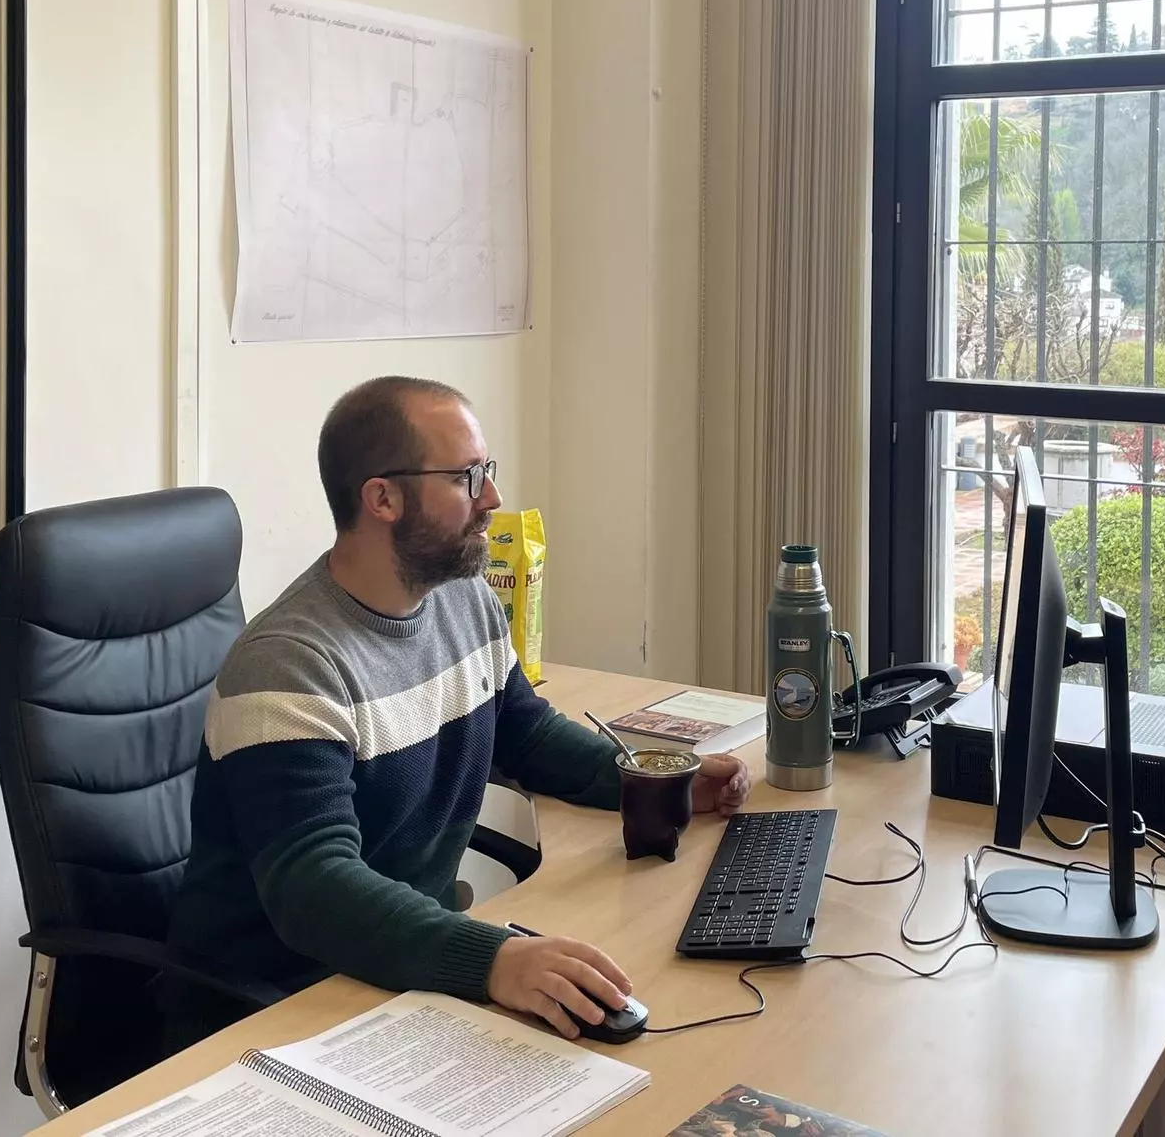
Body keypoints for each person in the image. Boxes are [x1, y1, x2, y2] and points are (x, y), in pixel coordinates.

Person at [163, 376, 752, 1046]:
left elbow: (527, 734)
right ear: (383, 498)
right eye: (467, 477)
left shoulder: (462, 599)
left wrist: (657, 778)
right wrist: (493, 961)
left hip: (399, 973)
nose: (492, 497)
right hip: (276, 1009)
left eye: (487, 471)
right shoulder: (289, 666)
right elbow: (315, 890)